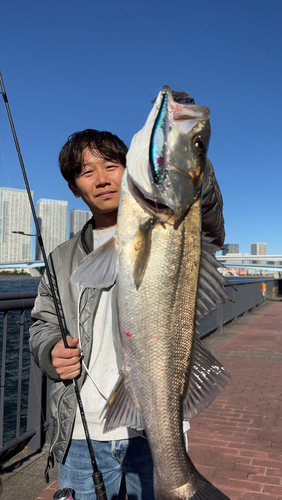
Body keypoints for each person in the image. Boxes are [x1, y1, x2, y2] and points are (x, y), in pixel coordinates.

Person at [29, 125, 225, 496]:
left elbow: (212, 221)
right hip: (82, 429)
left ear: (133, 168)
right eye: (87, 172)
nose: (101, 179)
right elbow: (43, 323)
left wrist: (189, 154)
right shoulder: (60, 259)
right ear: (74, 188)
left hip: (155, 431)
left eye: (111, 166)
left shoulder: (178, 221)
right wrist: (49, 349)